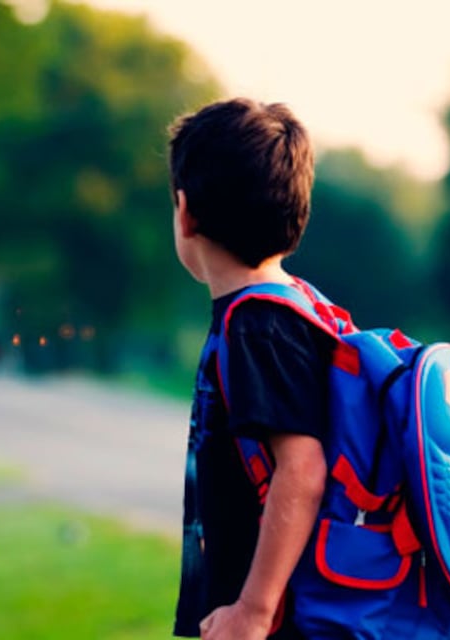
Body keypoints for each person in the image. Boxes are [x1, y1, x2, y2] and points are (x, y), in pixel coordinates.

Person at [169, 98, 330, 640]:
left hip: (265, 623)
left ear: (186, 212)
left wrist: (253, 611)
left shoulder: (258, 326)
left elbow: (302, 468)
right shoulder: (288, 310)